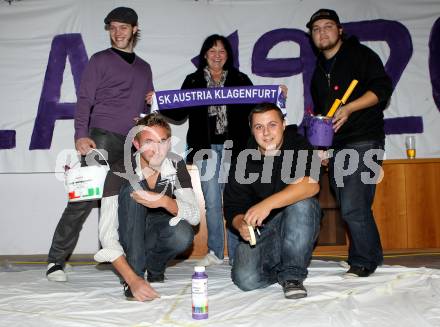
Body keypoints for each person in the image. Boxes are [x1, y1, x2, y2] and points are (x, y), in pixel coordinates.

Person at [46, 7, 154, 281]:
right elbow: (85, 99)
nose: (117, 32)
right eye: (113, 27)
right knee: (83, 199)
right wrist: (81, 134)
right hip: (102, 137)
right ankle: (55, 261)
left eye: (123, 27)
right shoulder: (99, 60)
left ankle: (117, 256)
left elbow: (145, 110)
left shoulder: (145, 68)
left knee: (123, 201)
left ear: (135, 29)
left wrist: (151, 106)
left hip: (131, 143)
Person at [307, 9, 393, 277]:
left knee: (354, 205)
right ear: (312, 35)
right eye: (317, 28)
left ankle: (364, 261)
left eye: (328, 26)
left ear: (340, 30)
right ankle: (367, 255)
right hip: (338, 146)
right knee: (350, 205)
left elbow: (382, 89)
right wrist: (321, 147)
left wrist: (350, 108)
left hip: (364, 139)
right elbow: (324, 117)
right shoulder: (318, 72)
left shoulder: (362, 56)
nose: (322, 32)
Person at [159, 34, 255, 266]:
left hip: (236, 148)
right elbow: (179, 112)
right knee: (212, 201)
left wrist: (276, 96)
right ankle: (215, 251)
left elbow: (256, 107)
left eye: (222, 51)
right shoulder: (192, 81)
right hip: (205, 148)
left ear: (228, 56)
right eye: (212, 51)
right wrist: (159, 103)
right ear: (204, 55)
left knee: (234, 200)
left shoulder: (240, 79)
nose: (217, 55)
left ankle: (235, 253)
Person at [94, 113, 200, 301]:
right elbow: (107, 234)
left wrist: (165, 201)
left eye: (162, 141)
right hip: (130, 230)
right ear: (136, 145)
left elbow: (194, 216)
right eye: (149, 142)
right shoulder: (119, 170)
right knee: (132, 190)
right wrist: (131, 278)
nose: (157, 149)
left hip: (155, 230)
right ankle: (134, 274)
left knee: (183, 233)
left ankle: (155, 269)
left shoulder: (176, 164)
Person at [223, 103, 321, 299]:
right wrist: (241, 224)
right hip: (263, 231)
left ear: (284, 125)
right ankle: (281, 268)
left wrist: (267, 204)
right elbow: (233, 209)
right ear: (252, 130)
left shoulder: (298, 145)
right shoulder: (242, 159)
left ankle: (292, 276)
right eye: (259, 127)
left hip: (297, 222)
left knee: (303, 203)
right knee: (246, 280)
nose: (266, 133)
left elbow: (312, 185)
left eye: (272, 125)